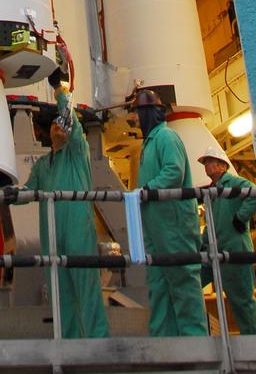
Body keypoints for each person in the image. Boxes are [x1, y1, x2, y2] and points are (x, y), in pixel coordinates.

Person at [23, 75, 110, 338]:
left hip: (78, 230)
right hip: (52, 236)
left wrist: (59, 91)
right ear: (48, 131)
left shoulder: (77, 153)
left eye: (63, 124)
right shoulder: (42, 165)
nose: (59, 127)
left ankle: (98, 344)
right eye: (55, 124)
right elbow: (26, 192)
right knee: (60, 293)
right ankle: (69, 345)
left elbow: (72, 124)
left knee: (86, 288)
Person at [131, 89, 208, 337]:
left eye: (138, 113)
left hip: (174, 228)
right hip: (156, 227)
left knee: (183, 284)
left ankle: (196, 345)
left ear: (149, 113)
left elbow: (174, 170)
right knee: (159, 287)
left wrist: (147, 190)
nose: (135, 119)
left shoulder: (166, 137)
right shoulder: (149, 144)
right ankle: (164, 345)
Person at [198, 145, 256, 334]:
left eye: (210, 161)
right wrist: (202, 244)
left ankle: (252, 343)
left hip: (235, 250)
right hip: (215, 252)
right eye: (205, 162)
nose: (206, 165)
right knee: (190, 284)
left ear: (222, 165)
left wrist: (240, 217)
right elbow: (211, 223)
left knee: (242, 301)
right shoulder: (213, 191)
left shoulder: (233, 183)